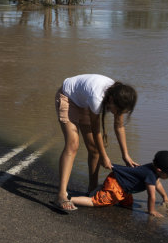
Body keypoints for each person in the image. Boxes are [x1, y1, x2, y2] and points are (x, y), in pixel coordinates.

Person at [54, 74, 138, 212]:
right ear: (111, 100)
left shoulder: (120, 97)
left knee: (94, 149)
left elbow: (119, 126)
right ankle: (61, 194)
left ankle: (92, 189)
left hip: (83, 102)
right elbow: (96, 130)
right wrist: (104, 157)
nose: (115, 113)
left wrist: (126, 155)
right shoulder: (97, 98)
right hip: (67, 97)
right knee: (73, 144)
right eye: (116, 110)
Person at [70, 150, 168, 218]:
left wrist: (165, 197)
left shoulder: (153, 170)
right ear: (159, 170)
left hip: (125, 188)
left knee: (128, 205)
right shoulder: (150, 175)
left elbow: (157, 184)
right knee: (97, 202)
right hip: (116, 186)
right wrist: (151, 211)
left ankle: (101, 190)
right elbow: (151, 196)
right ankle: (69, 199)